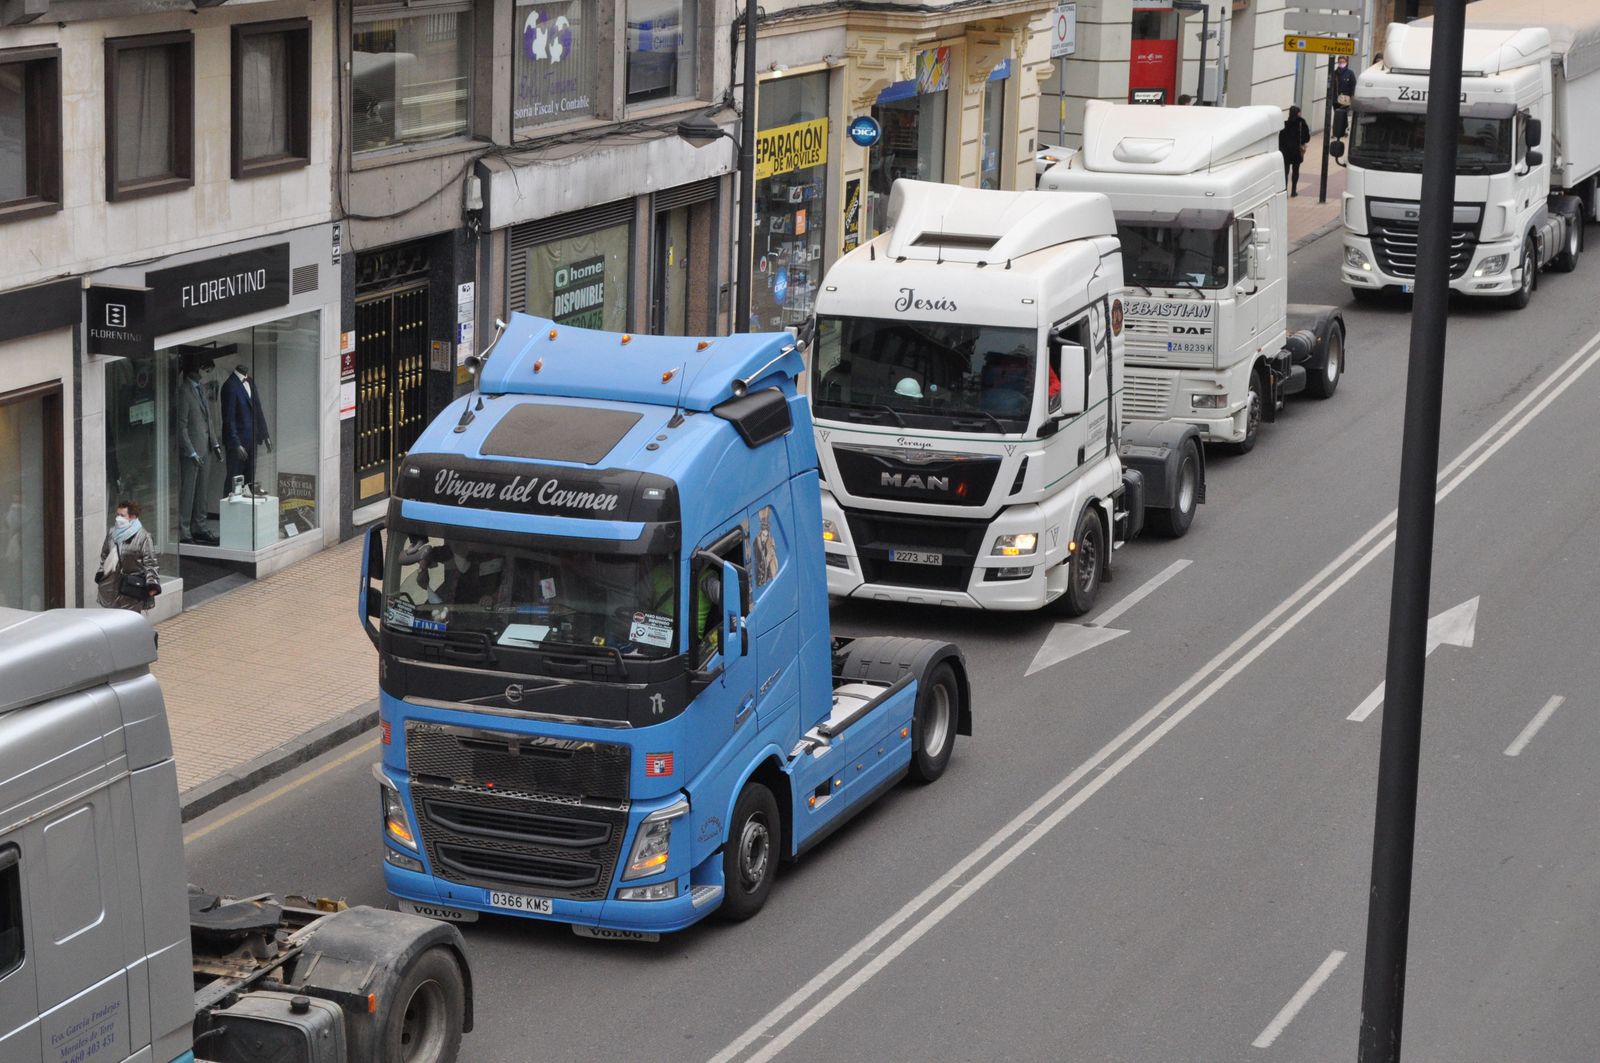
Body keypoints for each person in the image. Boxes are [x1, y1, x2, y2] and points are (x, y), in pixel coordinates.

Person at [175, 357, 221, 544]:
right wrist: (191, 451)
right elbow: (182, 425)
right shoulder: (184, 392)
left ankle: (200, 526)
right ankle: (185, 530)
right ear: (195, 370)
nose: (205, 374)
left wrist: (215, 444)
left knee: (202, 490)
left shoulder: (200, 389)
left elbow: (208, 420)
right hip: (192, 451)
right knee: (188, 490)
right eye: (204, 369)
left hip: (206, 448)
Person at [97, 500, 160, 628]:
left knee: (128, 624)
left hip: (131, 588)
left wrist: (152, 585)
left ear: (133, 517)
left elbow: (150, 562)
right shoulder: (112, 533)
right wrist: (101, 572)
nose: (118, 518)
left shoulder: (143, 537)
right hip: (111, 586)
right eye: (117, 514)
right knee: (111, 623)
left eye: (122, 515)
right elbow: (104, 554)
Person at [1280, 106, 1312, 197]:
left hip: (1285, 152)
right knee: (1295, 171)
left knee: (1285, 172)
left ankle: (1284, 191)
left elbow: (1280, 139)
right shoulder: (1302, 123)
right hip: (1296, 151)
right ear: (1298, 113)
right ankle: (1294, 191)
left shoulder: (1284, 124)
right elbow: (1307, 138)